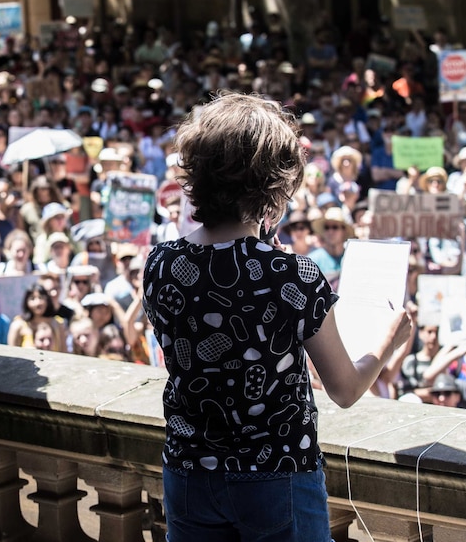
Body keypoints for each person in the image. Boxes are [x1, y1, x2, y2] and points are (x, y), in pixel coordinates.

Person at [141, 92, 411, 542]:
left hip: (188, 473)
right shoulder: (293, 274)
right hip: (278, 475)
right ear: (273, 184)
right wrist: (388, 339)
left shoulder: (160, 263)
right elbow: (344, 389)